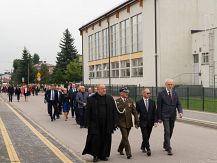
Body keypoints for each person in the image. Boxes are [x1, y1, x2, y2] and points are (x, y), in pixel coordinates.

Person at [82, 84, 118, 162]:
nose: (104, 90)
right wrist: (87, 123)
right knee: (95, 140)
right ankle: (96, 155)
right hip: (95, 124)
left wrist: (115, 122)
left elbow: (114, 111)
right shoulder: (91, 99)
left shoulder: (110, 98)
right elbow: (88, 112)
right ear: (98, 90)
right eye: (102, 88)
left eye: (105, 88)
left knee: (106, 140)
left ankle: (104, 155)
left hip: (107, 124)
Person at [157, 79, 183, 155]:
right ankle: (169, 148)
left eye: (171, 84)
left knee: (170, 131)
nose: (170, 86)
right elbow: (159, 106)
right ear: (166, 85)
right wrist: (159, 117)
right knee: (167, 131)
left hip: (172, 115)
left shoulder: (175, 93)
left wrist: (180, 112)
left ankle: (165, 144)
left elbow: (178, 104)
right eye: (169, 84)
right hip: (165, 116)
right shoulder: (161, 94)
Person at [115, 87, 139, 159]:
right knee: (125, 137)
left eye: (127, 92)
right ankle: (128, 153)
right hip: (121, 122)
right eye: (125, 92)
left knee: (125, 137)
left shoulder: (130, 101)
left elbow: (134, 112)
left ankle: (120, 149)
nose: (127, 93)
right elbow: (115, 113)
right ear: (121, 93)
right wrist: (115, 123)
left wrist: (137, 121)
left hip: (129, 122)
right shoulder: (117, 101)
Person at [136, 88, 158, 156]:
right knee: (145, 135)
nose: (149, 94)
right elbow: (136, 113)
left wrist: (155, 121)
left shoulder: (152, 102)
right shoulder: (139, 102)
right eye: (147, 93)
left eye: (149, 93)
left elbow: (155, 113)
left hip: (150, 122)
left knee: (147, 136)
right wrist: (136, 123)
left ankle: (143, 146)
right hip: (142, 122)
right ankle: (148, 149)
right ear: (143, 93)